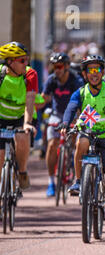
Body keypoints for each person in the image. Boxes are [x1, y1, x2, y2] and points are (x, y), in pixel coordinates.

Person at [61, 55, 105, 224]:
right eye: (90, 70)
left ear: (102, 72)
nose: (94, 73)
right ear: (84, 74)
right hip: (88, 131)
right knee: (81, 142)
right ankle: (78, 181)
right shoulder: (80, 92)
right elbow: (71, 109)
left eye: (97, 69)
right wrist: (65, 124)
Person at [40, 52, 84, 197]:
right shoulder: (52, 80)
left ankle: (72, 162)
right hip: (56, 115)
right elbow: (44, 98)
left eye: (59, 67)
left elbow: (81, 103)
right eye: (54, 67)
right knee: (52, 145)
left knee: (76, 143)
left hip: (73, 116)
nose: (56, 70)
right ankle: (51, 182)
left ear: (66, 67)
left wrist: (77, 120)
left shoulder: (76, 81)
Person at [0, 42, 37, 189]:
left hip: (22, 116)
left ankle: (22, 172)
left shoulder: (30, 74)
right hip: (2, 117)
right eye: (22, 60)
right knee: (0, 155)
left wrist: (27, 123)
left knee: (22, 136)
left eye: (27, 59)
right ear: (10, 62)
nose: (26, 63)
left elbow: (30, 101)